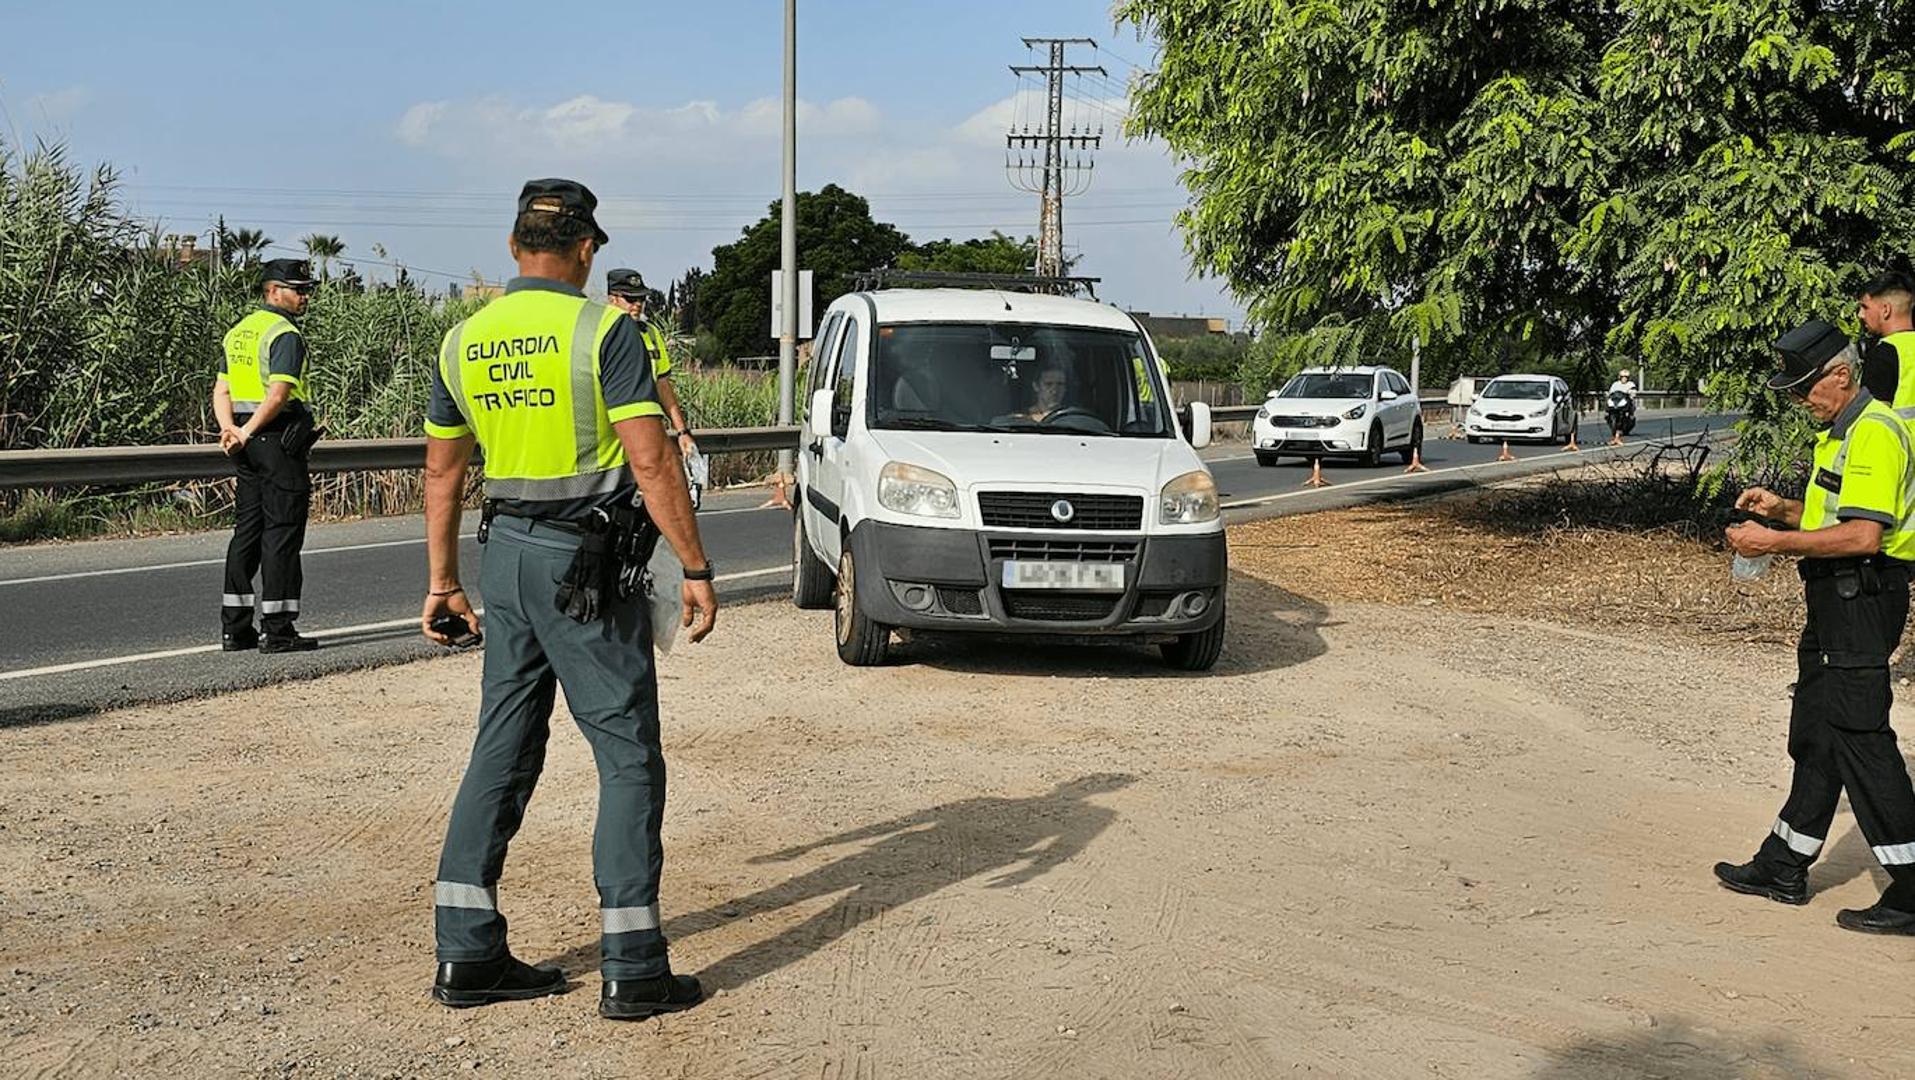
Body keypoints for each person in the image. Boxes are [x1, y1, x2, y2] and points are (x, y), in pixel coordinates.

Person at [419, 179, 718, 1019]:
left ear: (516, 249)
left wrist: (442, 582)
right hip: (583, 566)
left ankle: (466, 954)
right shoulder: (604, 331)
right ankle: (633, 966)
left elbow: (443, 472)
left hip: (502, 554)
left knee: (502, 746)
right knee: (625, 753)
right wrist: (694, 565)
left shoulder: (463, 340)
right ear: (586, 249)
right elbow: (652, 462)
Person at [1716, 318, 1915, 935]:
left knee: (1860, 733)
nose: (1800, 401)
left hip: (1864, 595)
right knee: (1817, 729)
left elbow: (1863, 535)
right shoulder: (1838, 432)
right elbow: (1837, 515)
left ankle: (1912, 889)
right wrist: (1783, 510)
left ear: (1842, 375)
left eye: (1806, 389)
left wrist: (1775, 541)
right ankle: (1785, 862)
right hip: (1834, 596)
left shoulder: (1875, 432)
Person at [213, 257, 321, 653]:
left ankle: (235, 630)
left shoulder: (239, 331)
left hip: (244, 446)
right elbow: (278, 394)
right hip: (276, 442)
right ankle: (277, 629)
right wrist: (249, 430)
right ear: (273, 291)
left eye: (308, 290)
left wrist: (231, 430)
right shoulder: (284, 333)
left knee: (247, 533)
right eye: (299, 289)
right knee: (282, 533)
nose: (305, 297)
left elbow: (221, 391)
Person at [604, 268, 697, 460]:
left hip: (648, 434)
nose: (638, 304)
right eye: (630, 299)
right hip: (611, 439)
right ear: (612, 299)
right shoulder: (599, 335)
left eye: (641, 299)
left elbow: (663, 385)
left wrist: (682, 432)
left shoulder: (652, 334)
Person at [1857, 271, 1915, 409]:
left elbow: (1873, 418)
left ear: (1886, 310)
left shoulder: (1883, 354)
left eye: (1865, 307)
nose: (1860, 314)